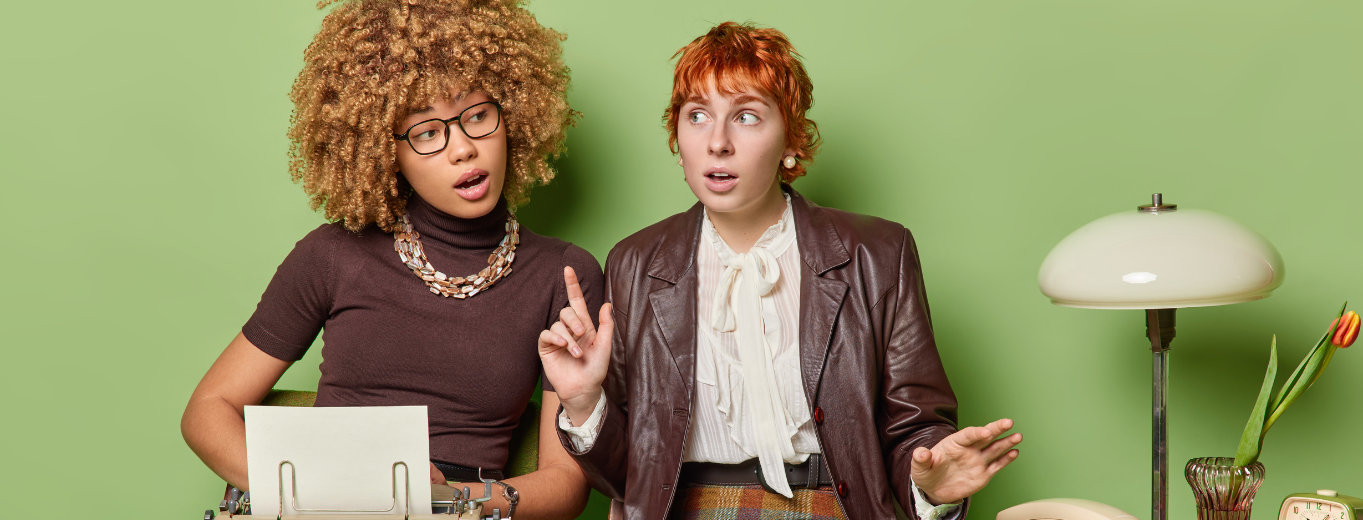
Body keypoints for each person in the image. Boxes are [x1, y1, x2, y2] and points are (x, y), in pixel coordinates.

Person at [538, 22, 1022, 520]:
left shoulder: (878, 254)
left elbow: (915, 429)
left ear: (790, 138)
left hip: (834, 508)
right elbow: (627, 479)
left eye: (746, 116)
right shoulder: (635, 263)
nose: (718, 142)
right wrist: (582, 403)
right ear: (677, 135)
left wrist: (933, 485)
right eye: (698, 115)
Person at [180, 1, 598, 518]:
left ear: (510, 114)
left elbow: (566, 483)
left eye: (477, 116)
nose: (462, 148)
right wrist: (323, 487)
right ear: (384, 151)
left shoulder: (564, 275)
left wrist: (450, 502)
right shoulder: (332, 255)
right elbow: (206, 411)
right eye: (426, 132)